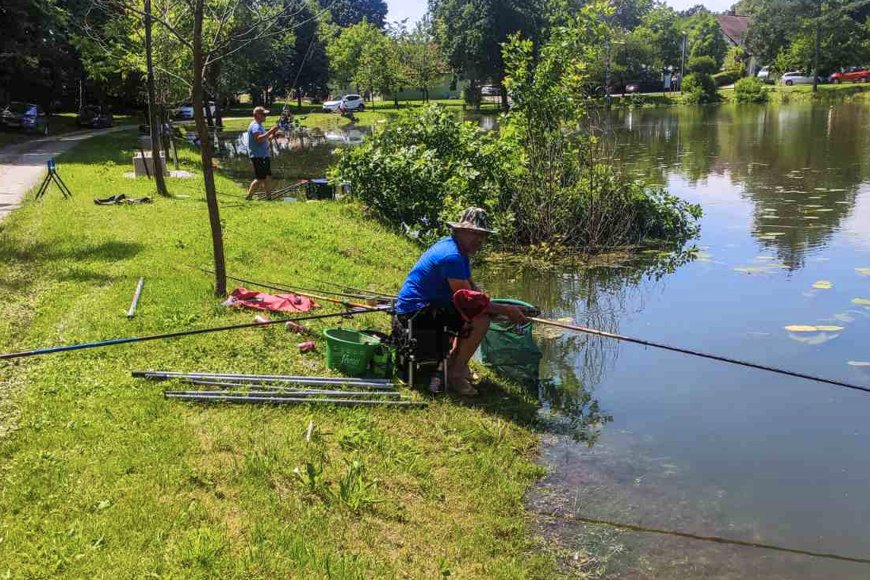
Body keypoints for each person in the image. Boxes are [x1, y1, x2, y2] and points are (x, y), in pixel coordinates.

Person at [394, 208, 529, 396]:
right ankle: (456, 374)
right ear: (459, 230)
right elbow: (469, 303)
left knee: (477, 311)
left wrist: (493, 305)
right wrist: (506, 310)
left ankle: (453, 363)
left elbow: (471, 291)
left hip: (430, 305)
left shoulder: (458, 250)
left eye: (482, 235)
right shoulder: (452, 256)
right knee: (480, 319)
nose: (479, 240)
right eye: (474, 233)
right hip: (415, 313)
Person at [245, 106, 279, 201]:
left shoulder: (259, 125)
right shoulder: (255, 126)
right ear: (257, 115)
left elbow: (264, 139)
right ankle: (249, 197)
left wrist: (273, 136)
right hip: (258, 156)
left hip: (263, 156)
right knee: (260, 178)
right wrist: (271, 131)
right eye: (263, 114)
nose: (265, 116)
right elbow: (259, 139)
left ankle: (269, 199)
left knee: (267, 177)